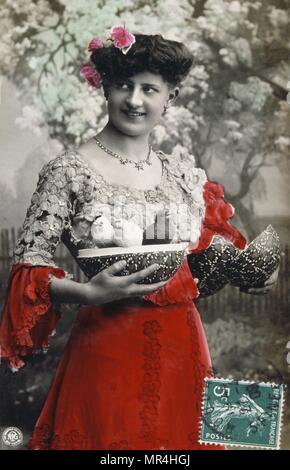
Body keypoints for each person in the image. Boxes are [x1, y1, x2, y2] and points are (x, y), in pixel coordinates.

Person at [0, 27, 278, 450]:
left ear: (171, 97)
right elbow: (28, 267)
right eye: (123, 86)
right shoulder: (68, 171)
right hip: (107, 344)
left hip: (185, 344)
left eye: (150, 88)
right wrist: (88, 292)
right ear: (105, 89)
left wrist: (251, 273)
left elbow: (203, 257)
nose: (135, 100)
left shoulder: (184, 175)